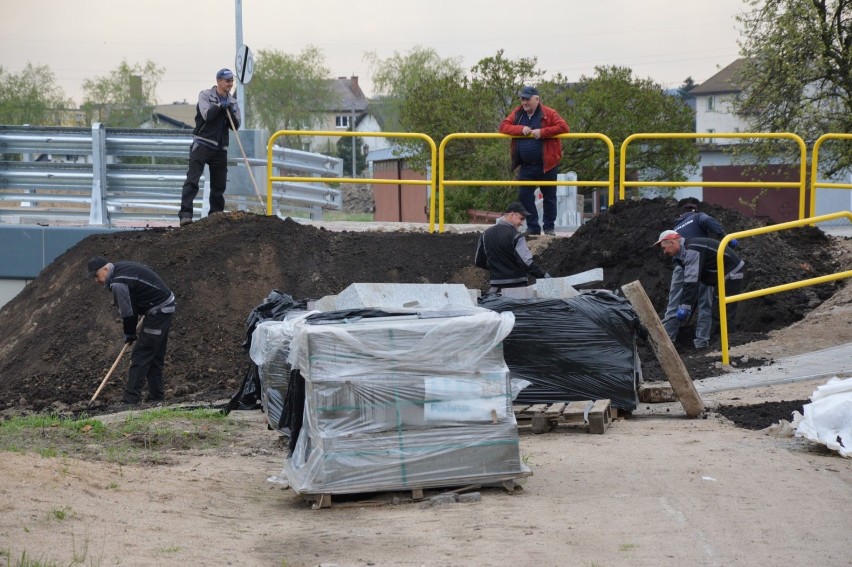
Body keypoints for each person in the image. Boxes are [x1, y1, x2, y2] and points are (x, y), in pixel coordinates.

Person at [88, 257, 176, 405]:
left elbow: (128, 313)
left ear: (105, 269)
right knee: (154, 356)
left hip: (159, 310)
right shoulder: (121, 268)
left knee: (141, 355)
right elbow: (145, 269)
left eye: (96, 275)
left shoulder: (118, 283)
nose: (96, 281)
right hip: (163, 306)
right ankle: (156, 397)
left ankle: (131, 400)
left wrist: (129, 334)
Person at [662, 199, 737, 348]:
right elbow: (709, 221)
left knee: (674, 304)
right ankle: (701, 343)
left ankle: (667, 343)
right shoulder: (698, 217)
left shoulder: (675, 228)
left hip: (681, 266)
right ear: (693, 210)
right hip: (703, 267)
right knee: (705, 304)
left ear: (680, 213)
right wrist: (725, 237)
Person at [654, 230, 745, 350]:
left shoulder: (691, 250)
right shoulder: (686, 250)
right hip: (721, 274)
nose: (664, 252)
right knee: (718, 309)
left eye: (664, 248)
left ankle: (728, 346)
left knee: (723, 310)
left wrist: (685, 306)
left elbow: (691, 280)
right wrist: (687, 303)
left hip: (731, 273)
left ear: (672, 243)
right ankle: (721, 344)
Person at [499, 85, 570, 236]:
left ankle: (549, 227)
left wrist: (543, 132)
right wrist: (520, 129)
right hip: (526, 165)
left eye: (527, 99)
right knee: (524, 195)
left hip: (547, 164)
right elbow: (503, 126)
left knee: (549, 197)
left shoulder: (549, 113)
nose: (524, 102)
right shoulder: (518, 113)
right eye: (522, 99)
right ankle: (533, 227)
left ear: (536, 99)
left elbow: (563, 127)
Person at [178, 68, 241, 226]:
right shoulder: (205, 95)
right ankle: (185, 215)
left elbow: (236, 126)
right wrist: (220, 107)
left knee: (219, 186)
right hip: (202, 144)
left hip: (220, 149)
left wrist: (229, 110)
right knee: (192, 181)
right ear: (219, 81)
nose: (230, 84)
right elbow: (207, 116)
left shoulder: (233, 102)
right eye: (227, 81)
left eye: (231, 81)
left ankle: (216, 217)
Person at [474, 202, 550, 293]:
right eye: (521, 219)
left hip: (495, 290)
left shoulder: (485, 234)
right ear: (512, 214)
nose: (521, 223)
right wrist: (545, 276)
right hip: (517, 289)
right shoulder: (517, 236)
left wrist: (497, 268)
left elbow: (478, 261)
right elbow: (526, 263)